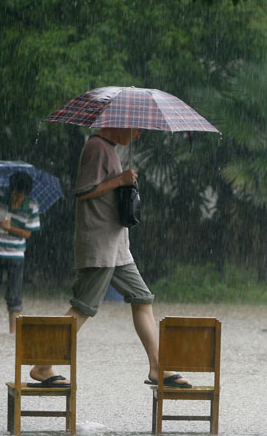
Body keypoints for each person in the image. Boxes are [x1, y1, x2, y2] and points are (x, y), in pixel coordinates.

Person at [28, 127, 191, 388]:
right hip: (100, 246)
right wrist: (120, 180)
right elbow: (82, 191)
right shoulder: (96, 147)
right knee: (82, 307)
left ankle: (158, 367)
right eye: (135, 130)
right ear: (119, 124)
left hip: (118, 247)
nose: (137, 136)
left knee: (142, 298)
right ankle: (43, 365)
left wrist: (125, 182)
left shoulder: (111, 151)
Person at [0, 171, 40, 334]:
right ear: (10, 190)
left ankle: (13, 334)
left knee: (15, 296)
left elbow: (27, 233)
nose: (16, 200)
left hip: (16, 255)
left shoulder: (32, 205)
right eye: (14, 195)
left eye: (20, 197)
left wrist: (9, 228)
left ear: (26, 195)